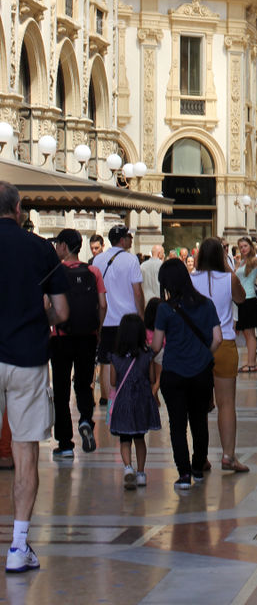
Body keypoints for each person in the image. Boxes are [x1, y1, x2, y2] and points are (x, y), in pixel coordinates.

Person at [0, 182, 69, 574]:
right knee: (25, 453)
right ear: (19, 208)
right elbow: (61, 312)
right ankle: (18, 546)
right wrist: (37, 314)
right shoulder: (41, 249)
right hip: (26, 359)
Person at [151, 259, 221, 490]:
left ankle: (183, 474)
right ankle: (198, 467)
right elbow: (218, 338)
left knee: (177, 425)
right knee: (199, 421)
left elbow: (158, 344)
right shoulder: (207, 304)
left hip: (173, 373)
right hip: (201, 373)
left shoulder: (164, 309)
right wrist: (203, 355)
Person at [48, 228, 106, 460]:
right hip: (88, 336)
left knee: (61, 390)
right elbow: (102, 304)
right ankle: (85, 420)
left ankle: (65, 444)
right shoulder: (93, 271)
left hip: (61, 338)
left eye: (57, 244)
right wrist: (98, 331)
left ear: (64, 246)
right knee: (84, 384)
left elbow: (46, 305)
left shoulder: (55, 272)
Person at [193, 237, 249, 471]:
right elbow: (241, 298)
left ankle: (201, 457)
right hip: (224, 343)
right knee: (226, 404)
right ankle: (228, 456)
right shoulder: (230, 278)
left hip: (197, 347)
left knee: (197, 405)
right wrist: (227, 267)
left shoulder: (190, 280)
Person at [93, 225, 144, 407]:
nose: (130, 240)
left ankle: (107, 398)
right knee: (128, 357)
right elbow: (137, 292)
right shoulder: (131, 260)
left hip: (106, 318)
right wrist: (142, 316)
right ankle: (126, 393)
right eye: (129, 237)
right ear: (122, 240)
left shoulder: (97, 260)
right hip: (127, 320)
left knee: (105, 359)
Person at [108, 312, 161, 490]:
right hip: (141, 403)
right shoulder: (147, 356)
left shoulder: (115, 357)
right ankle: (140, 473)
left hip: (123, 403)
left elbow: (113, 382)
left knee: (124, 439)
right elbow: (152, 378)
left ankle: (127, 467)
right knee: (140, 438)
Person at [234, 236, 257, 372]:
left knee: (249, 333)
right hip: (242, 299)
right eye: (241, 247)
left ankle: (251, 363)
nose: (243, 249)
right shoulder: (243, 261)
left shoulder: (254, 260)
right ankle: (252, 362)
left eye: (245, 246)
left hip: (249, 298)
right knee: (247, 333)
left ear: (250, 246)